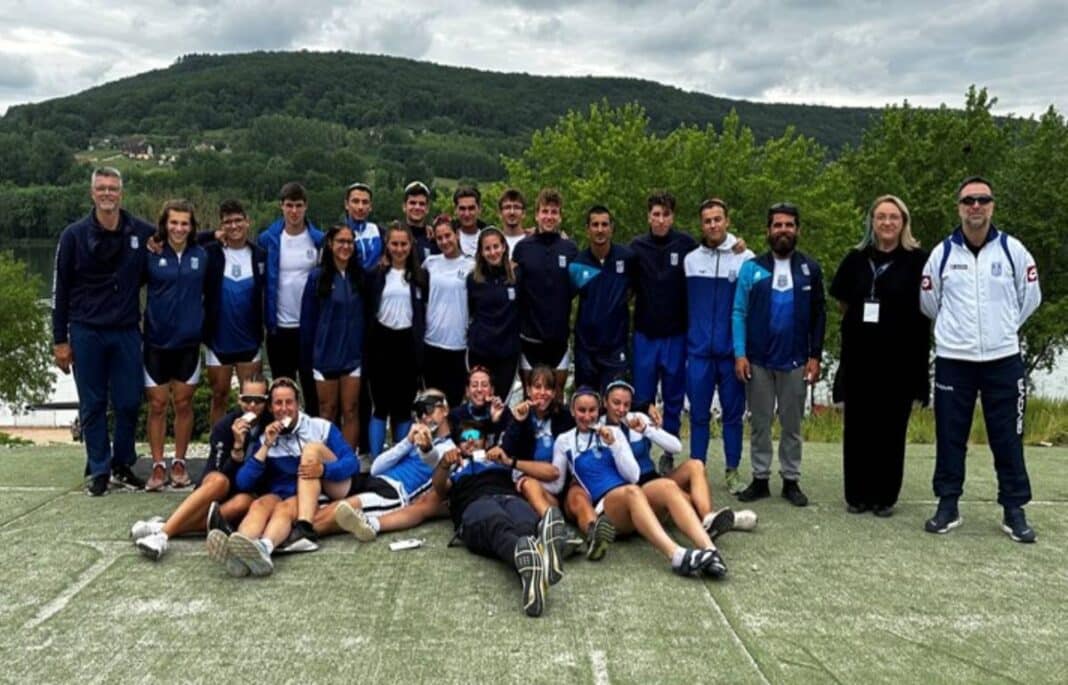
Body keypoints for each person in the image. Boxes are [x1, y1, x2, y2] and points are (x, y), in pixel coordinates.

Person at [920, 176, 1042, 542]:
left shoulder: (1013, 251)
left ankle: (1014, 509)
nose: (976, 206)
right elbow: (929, 303)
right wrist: (958, 334)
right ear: (959, 208)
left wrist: (1003, 330)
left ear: (992, 206)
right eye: (968, 200)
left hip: (1003, 361)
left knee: (1008, 437)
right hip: (953, 360)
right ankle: (948, 504)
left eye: (982, 200)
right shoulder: (942, 254)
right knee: (950, 436)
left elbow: (1030, 298)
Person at [52, 167, 154, 495]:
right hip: (86, 330)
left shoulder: (140, 230)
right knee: (93, 403)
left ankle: (122, 462)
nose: (107, 193)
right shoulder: (73, 235)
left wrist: (216, 237)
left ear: (121, 193)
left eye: (113, 188)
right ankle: (99, 468)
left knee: (128, 401)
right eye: (102, 188)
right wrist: (60, 340)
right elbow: (60, 290)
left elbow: (180, 235)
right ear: (92, 193)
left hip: (125, 329)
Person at [554, 389, 728, 578]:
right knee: (632, 492)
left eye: (592, 410)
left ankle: (710, 550)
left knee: (667, 486)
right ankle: (676, 555)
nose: (587, 416)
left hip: (633, 495)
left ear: (598, 410)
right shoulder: (564, 441)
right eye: (582, 410)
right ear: (572, 411)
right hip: (607, 507)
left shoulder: (613, 432)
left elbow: (634, 475)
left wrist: (614, 444)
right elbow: (557, 485)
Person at [830, 195, 930, 516]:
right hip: (860, 359)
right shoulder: (855, 259)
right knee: (858, 429)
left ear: (904, 222)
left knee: (891, 431)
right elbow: (843, 303)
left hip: (899, 361)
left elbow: (926, 311)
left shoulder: (919, 261)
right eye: (881, 217)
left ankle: (884, 497)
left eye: (893, 217)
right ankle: (857, 495)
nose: (887, 223)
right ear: (871, 222)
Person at [207, 377, 358, 576]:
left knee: (284, 508)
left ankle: (265, 547)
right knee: (260, 504)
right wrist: (266, 446)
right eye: (278, 403)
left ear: (298, 404)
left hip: (309, 494)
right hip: (279, 493)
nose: (284, 408)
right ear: (271, 408)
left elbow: (352, 463)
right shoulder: (265, 436)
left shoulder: (320, 427)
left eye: (289, 402)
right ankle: (239, 551)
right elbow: (243, 482)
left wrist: (324, 470)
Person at [732, 202, 826, 507]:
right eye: (777, 225)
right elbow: (739, 312)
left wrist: (815, 355)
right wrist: (740, 353)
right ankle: (760, 478)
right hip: (758, 360)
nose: (783, 230)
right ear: (768, 230)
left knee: (792, 425)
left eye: (789, 225)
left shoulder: (810, 269)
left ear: (798, 230)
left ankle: (791, 480)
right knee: (760, 423)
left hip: (795, 360)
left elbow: (819, 315)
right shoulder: (752, 268)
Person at [433, 414, 564, 617]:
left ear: (485, 441)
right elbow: (440, 489)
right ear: (458, 445)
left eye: (475, 435)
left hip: (509, 497)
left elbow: (552, 472)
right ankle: (541, 555)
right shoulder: (456, 468)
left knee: (525, 524)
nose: (470, 440)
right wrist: (443, 465)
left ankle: (532, 569)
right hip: (475, 504)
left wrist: (509, 461)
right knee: (497, 524)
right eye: (464, 437)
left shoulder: (499, 461)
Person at [132, 374, 272, 560]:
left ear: (267, 402)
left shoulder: (271, 426)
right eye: (247, 399)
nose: (252, 406)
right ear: (239, 399)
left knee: (244, 501)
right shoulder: (225, 426)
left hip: (245, 495)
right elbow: (216, 472)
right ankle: (162, 536)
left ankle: (164, 526)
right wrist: (237, 448)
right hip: (217, 489)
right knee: (219, 481)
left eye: (259, 400)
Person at [684, 199, 754, 494]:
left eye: (717, 219)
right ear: (701, 225)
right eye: (707, 220)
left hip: (730, 354)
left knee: (733, 416)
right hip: (698, 352)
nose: (713, 225)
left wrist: (744, 350)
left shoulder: (746, 258)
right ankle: (696, 472)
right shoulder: (690, 260)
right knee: (698, 415)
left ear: (727, 221)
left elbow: (752, 306)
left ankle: (732, 471)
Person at [323, 389, 454, 541]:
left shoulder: (449, 449)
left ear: (445, 410)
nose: (424, 416)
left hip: (393, 493)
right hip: (374, 480)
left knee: (328, 516)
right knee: (317, 458)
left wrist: (427, 448)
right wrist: (407, 442)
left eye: (429, 409)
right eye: (419, 412)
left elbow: (434, 460)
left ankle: (303, 530)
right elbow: (375, 468)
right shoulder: (414, 440)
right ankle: (303, 522)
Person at [141, 199, 208, 491]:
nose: (179, 229)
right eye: (174, 223)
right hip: (155, 342)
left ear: (192, 227)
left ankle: (179, 462)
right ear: (164, 225)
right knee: (157, 405)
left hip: (188, 344)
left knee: (183, 404)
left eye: (184, 223)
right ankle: (158, 465)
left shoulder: (201, 255)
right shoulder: (151, 253)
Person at [629, 191, 697, 472]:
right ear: (648, 216)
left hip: (675, 335)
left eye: (665, 215)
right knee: (642, 397)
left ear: (673, 217)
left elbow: (714, 250)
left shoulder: (687, 245)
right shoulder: (635, 247)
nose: (660, 220)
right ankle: (640, 452)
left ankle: (669, 452)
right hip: (645, 335)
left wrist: (736, 246)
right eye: (655, 214)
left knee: (673, 398)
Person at [258, 182, 323, 415]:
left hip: (309, 328)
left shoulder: (318, 240)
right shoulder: (268, 239)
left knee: (312, 388)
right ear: (281, 206)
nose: (294, 211)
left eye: (298, 205)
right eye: (289, 206)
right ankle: (283, 433)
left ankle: (313, 434)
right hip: (279, 327)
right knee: (282, 392)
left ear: (306, 207)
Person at [200, 200, 267, 427]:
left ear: (247, 222)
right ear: (221, 226)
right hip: (217, 341)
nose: (234, 226)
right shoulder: (210, 252)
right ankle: (217, 444)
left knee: (252, 401)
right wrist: (211, 235)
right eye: (227, 222)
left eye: (238, 220)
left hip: (249, 340)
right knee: (219, 396)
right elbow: (185, 239)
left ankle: (250, 446)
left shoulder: (259, 255)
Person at [301, 224, 366, 449]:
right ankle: (326, 460)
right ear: (330, 244)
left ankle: (348, 459)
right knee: (327, 411)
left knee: (351, 409)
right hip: (325, 356)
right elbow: (308, 321)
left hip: (352, 356)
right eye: (340, 241)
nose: (345, 246)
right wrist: (309, 356)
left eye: (349, 242)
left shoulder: (359, 276)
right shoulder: (317, 277)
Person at [365, 223, 426, 455]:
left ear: (411, 246)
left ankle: (400, 458)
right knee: (380, 406)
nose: (399, 249)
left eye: (404, 244)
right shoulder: (376, 275)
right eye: (394, 244)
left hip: (408, 343)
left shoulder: (420, 276)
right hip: (381, 341)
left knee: (403, 407)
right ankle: (376, 459)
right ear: (387, 245)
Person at [512, 188, 579, 391]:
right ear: (536, 215)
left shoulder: (570, 249)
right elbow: (513, 287)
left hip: (559, 339)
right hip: (529, 339)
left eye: (554, 212)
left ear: (560, 216)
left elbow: (575, 288)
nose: (549, 217)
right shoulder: (522, 248)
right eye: (545, 211)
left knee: (557, 398)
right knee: (530, 398)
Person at [570, 205, 637, 392]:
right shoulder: (577, 263)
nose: (600, 230)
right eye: (595, 225)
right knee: (587, 402)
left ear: (611, 228)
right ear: (588, 229)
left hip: (616, 348)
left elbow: (634, 290)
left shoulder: (627, 258)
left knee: (615, 402)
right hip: (586, 349)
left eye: (604, 224)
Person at [503, 366, 576, 519]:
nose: (542, 393)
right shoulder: (520, 415)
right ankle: (554, 524)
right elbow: (506, 451)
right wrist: (518, 421)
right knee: (528, 487)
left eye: (548, 388)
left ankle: (551, 522)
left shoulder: (564, 418)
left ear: (554, 393)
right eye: (537, 387)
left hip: (555, 488)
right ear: (528, 390)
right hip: (524, 486)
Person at [422, 215, 475, 406]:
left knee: (453, 403)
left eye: (448, 236)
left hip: (458, 345)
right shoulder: (430, 263)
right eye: (439, 238)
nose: (444, 241)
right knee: (431, 405)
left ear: (457, 234)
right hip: (431, 342)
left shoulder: (471, 265)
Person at [466, 228, 522, 400]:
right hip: (480, 352)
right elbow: (471, 311)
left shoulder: (517, 275)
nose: (492, 252)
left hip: (507, 354)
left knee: (500, 403)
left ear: (504, 247)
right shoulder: (474, 280)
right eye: (487, 248)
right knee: (479, 402)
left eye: (496, 246)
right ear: (481, 252)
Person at [448, 366, 511, 448]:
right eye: (474, 385)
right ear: (467, 391)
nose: (479, 390)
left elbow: (509, 446)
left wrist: (496, 421)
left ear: (492, 390)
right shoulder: (456, 415)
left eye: (484, 385)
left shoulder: (504, 412)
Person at [342, 181, 383, 272]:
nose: (360, 207)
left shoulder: (380, 232)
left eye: (365, 202)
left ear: (370, 206)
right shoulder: (336, 235)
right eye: (355, 201)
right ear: (346, 205)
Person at [402, 180, 439, 260]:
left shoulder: (434, 240)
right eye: (412, 203)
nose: (417, 207)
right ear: (404, 206)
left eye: (422, 204)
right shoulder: (393, 237)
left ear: (427, 208)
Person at [452, 186, 489, 258]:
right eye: (462, 209)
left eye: (471, 208)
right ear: (455, 210)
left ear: (479, 209)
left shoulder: (491, 236)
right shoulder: (446, 237)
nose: (467, 214)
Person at [497, 188, 530, 253]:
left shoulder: (533, 242)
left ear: (524, 213)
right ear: (500, 213)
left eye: (516, 207)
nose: (512, 212)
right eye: (507, 207)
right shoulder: (493, 243)